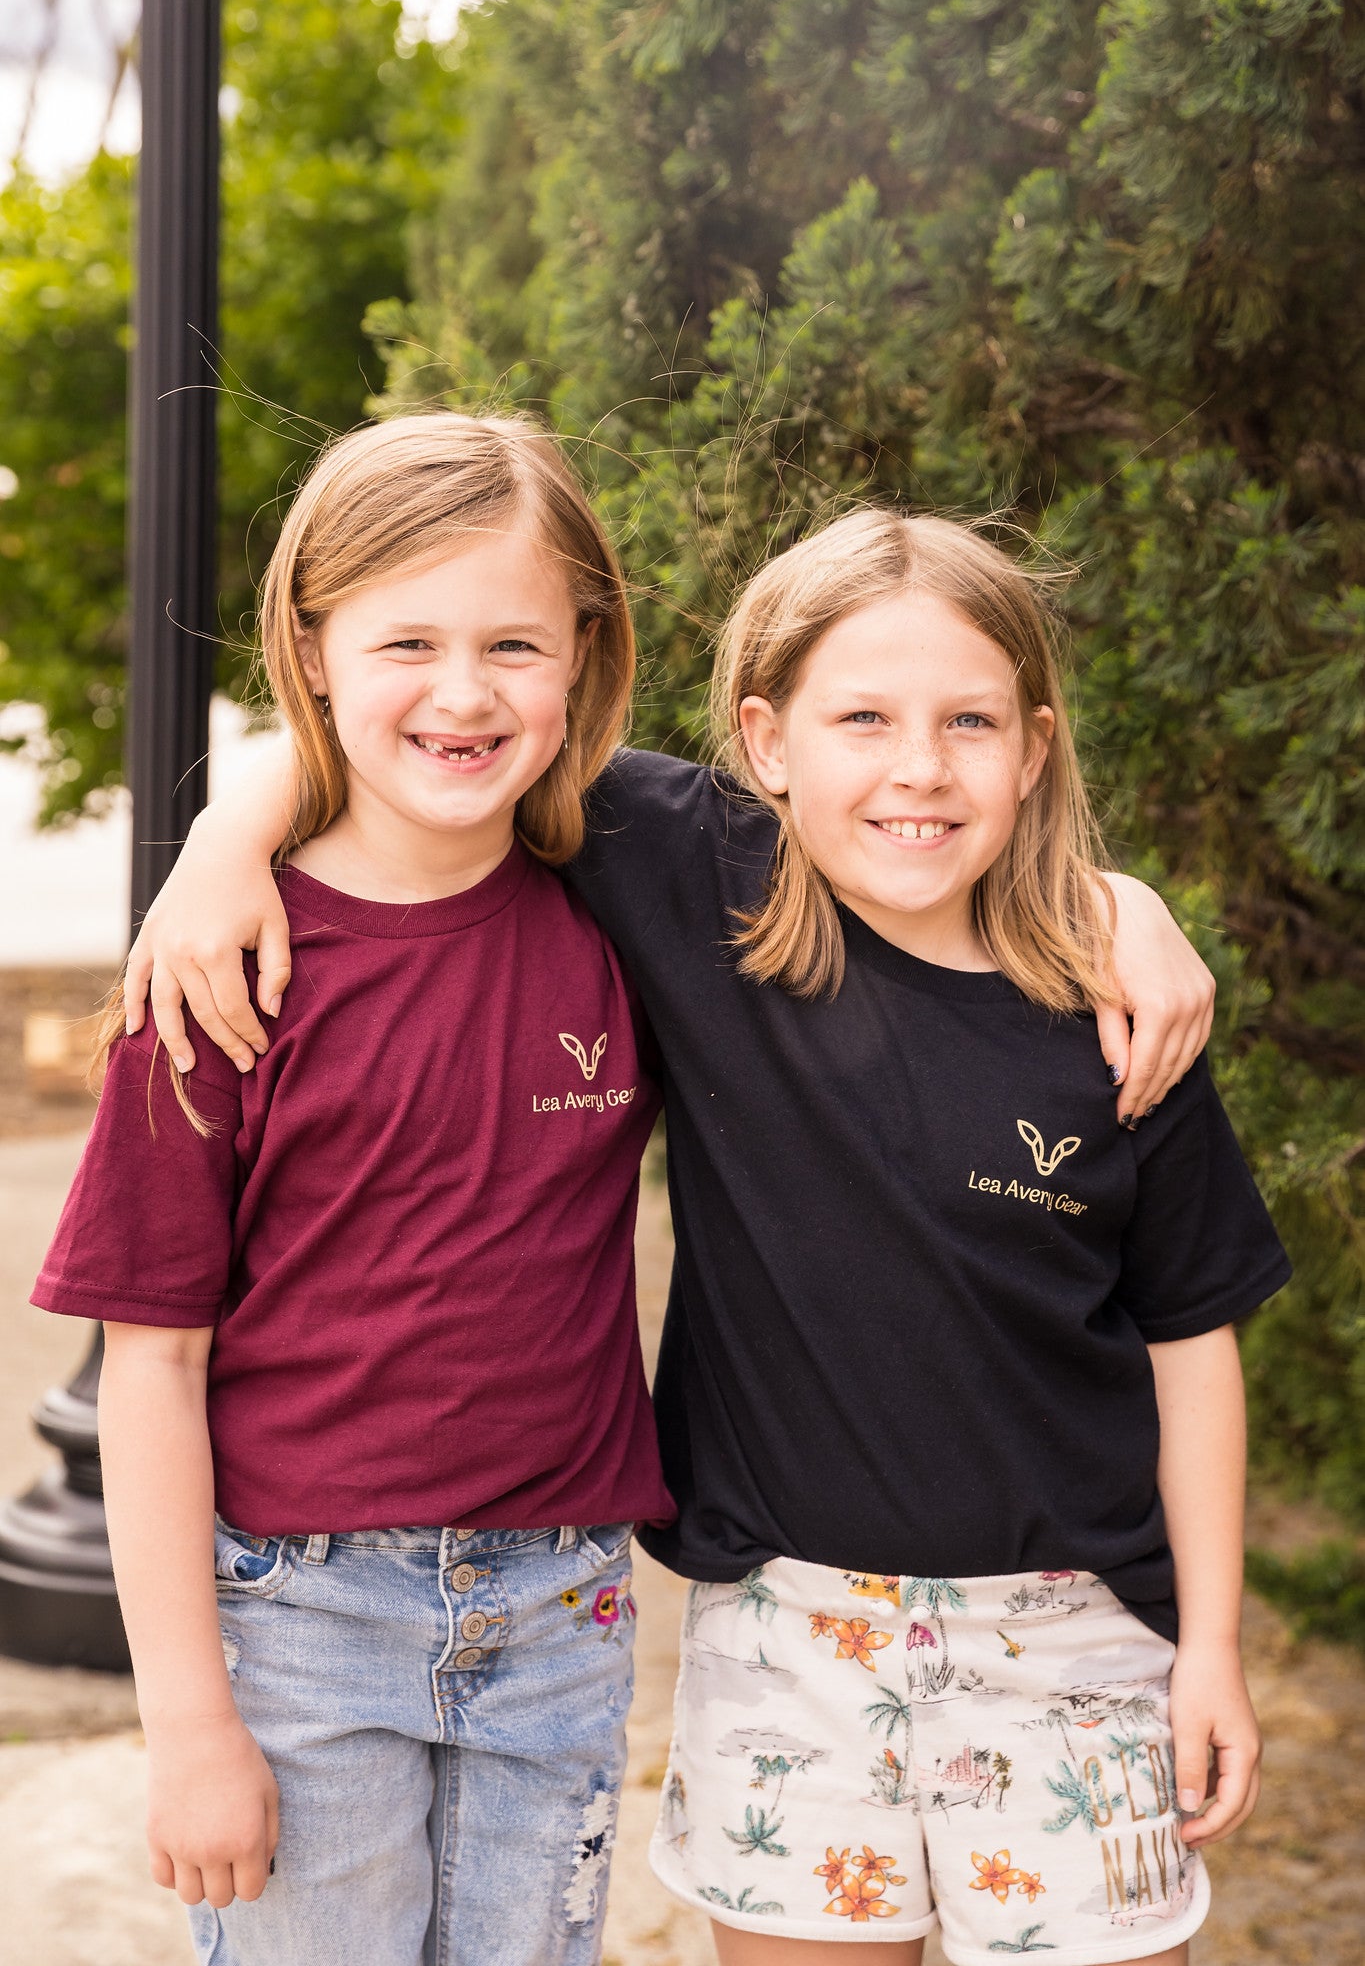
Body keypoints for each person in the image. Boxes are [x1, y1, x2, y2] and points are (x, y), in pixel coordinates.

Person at [126, 496, 1242, 1966]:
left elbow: (1192, 1334)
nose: (916, 768)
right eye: (861, 720)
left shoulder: (1117, 1024)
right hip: (784, 1641)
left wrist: (1211, 1645)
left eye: (969, 724)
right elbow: (433, 734)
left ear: (1033, 746)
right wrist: (223, 836)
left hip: (1073, 1641)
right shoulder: (698, 880)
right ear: (769, 745)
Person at [32, 413, 676, 1966]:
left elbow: (891, 850)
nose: (464, 693)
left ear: (585, 655)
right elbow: (151, 1368)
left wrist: (1115, 909)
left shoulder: (630, 900)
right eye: (406, 641)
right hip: (294, 1625)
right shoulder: (214, 974)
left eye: (516, 642)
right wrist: (185, 1725)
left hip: (565, 1611)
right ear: (309, 650)